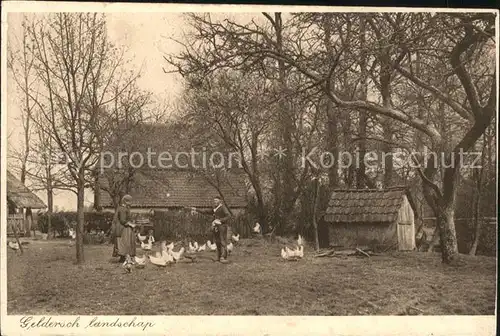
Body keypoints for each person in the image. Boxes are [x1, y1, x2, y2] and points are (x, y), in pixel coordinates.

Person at [192, 196, 232, 263]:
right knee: (217, 242)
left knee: (223, 241)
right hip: (216, 227)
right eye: (214, 201)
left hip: (222, 227)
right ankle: (219, 257)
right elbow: (205, 211)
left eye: (216, 200)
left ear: (220, 201)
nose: (215, 202)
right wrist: (196, 209)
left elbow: (228, 216)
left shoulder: (223, 208)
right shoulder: (214, 209)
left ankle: (223, 257)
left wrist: (220, 220)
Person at [112, 194, 137, 263]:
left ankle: (123, 258)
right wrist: (131, 224)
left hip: (122, 228)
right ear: (125, 201)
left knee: (123, 243)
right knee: (125, 243)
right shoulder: (123, 209)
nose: (131, 203)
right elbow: (123, 220)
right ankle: (124, 258)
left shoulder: (123, 208)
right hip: (123, 228)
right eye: (130, 201)